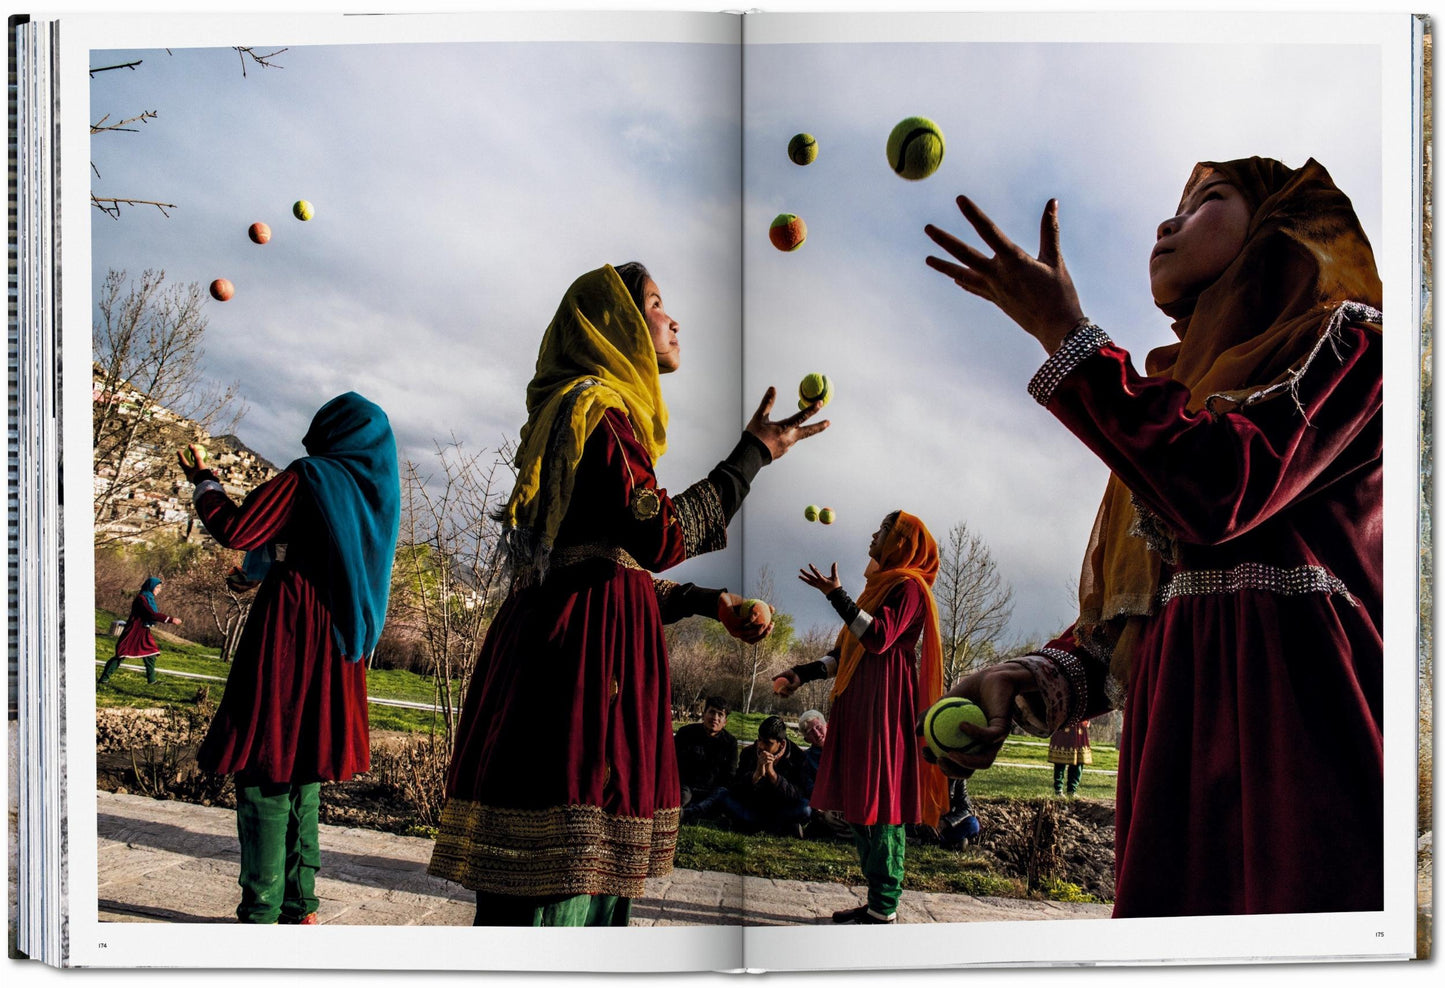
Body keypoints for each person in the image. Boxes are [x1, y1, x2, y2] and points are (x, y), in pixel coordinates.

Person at [923, 158, 1383, 917]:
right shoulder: (1177, 392)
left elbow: (1223, 489)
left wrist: (1065, 335)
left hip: (1302, 742)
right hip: (1173, 748)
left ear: (1279, 223)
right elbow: (1140, 614)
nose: (1167, 225)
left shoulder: (1352, 349)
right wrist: (1032, 676)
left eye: (1207, 201)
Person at [427, 263, 827, 927]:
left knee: (577, 878)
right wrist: (749, 457)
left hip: (568, 652)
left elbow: (604, 569)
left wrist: (705, 602)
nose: (672, 320)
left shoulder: (584, 415)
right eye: (655, 304)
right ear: (613, 326)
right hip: (579, 674)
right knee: (558, 890)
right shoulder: (597, 411)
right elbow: (657, 536)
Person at [181, 392, 401, 924]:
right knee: (304, 766)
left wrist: (205, 482)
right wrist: (262, 566)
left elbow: (238, 528)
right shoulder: (375, 494)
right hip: (341, 640)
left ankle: (260, 910)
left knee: (263, 764)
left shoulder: (312, 477)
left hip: (290, 630)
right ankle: (301, 905)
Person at [775, 511, 950, 924]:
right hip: (858, 704)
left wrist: (837, 596)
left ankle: (884, 906)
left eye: (884, 530)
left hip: (885, 706)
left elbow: (877, 637)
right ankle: (876, 902)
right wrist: (800, 673)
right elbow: (843, 653)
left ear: (901, 542)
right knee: (860, 803)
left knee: (882, 802)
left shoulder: (909, 588)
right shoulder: (877, 590)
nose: (874, 534)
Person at [714, 715, 811, 837]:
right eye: (759, 740)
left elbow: (797, 794)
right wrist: (755, 775)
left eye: (767, 743)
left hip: (780, 808)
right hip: (753, 806)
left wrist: (773, 775)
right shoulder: (749, 752)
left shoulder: (798, 757)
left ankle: (749, 825)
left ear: (781, 744)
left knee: (805, 808)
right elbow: (736, 789)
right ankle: (779, 828)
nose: (761, 746)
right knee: (722, 795)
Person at [99, 577, 182, 685]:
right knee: (121, 654)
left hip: (143, 630)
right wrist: (170, 619)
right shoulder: (141, 599)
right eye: (157, 587)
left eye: (160, 588)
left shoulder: (149, 598)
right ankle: (103, 679)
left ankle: (152, 681)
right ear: (151, 587)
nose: (159, 590)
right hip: (133, 630)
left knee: (151, 653)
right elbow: (151, 614)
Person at [674, 696, 738, 811]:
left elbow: (730, 775)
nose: (715, 718)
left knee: (721, 795)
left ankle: (690, 812)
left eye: (720, 715)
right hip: (687, 786)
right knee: (682, 797)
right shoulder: (686, 733)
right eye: (712, 712)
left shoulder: (730, 743)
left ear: (725, 722)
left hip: (712, 790)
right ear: (704, 715)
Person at [796, 709, 850, 840]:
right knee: (826, 817)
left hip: (850, 802)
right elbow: (810, 787)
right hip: (828, 807)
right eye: (810, 732)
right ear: (807, 739)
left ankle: (839, 834)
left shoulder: (845, 747)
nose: (817, 733)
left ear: (826, 725)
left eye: (818, 727)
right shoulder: (807, 759)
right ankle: (854, 834)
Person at [1049, 720, 1091, 797]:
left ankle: (1072, 790)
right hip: (1062, 722)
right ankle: (1058, 790)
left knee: (1078, 761)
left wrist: (1087, 718)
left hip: (1079, 725)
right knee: (1060, 760)